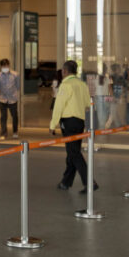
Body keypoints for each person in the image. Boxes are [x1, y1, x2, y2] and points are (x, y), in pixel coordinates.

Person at [50, 60, 98, 193]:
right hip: (79, 122)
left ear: (65, 71)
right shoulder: (82, 84)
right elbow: (88, 104)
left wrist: (53, 124)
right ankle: (66, 182)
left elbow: (58, 106)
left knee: (74, 153)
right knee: (72, 152)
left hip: (68, 122)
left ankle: (89, 182)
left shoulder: (65, 85)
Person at [0, 58, 20, 140]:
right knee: (3, 117)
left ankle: (15, 131)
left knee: (14, 116)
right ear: (1, 66)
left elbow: (18, 86)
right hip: (2, 99)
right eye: (3, 66)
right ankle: (3, 133)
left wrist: (14, 94)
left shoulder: (15, 74)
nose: (5, 67)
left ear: (9, 65)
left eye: (6, 65)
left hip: (13, 98)